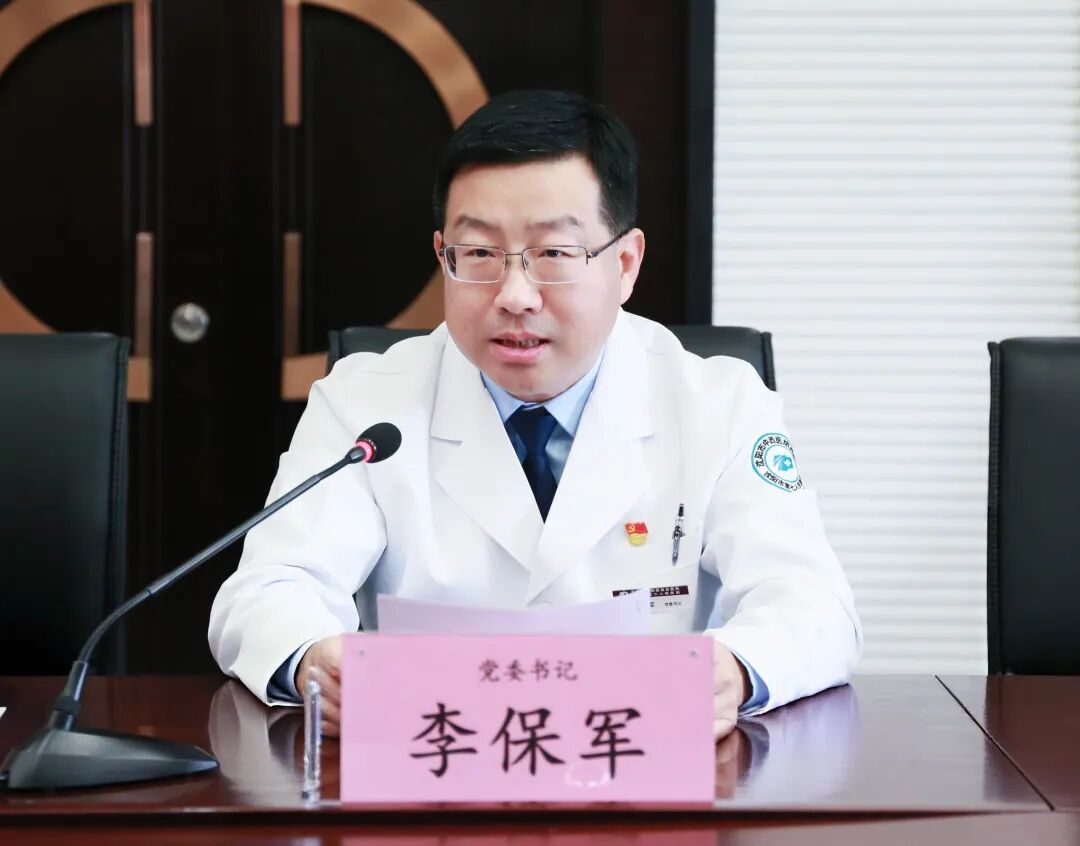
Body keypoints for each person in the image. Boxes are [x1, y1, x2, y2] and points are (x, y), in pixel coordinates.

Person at [208, 90, 861, 738]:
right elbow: (267, 591)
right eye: (479, 254)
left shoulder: (720, 404)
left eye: (554, 254)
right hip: (432, 759)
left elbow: (811, 603)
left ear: (625, 264)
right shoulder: (365, 403)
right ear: (443, 256)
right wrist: (310, 660)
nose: (515, 296)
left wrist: (736, 670)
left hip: (640, 761)